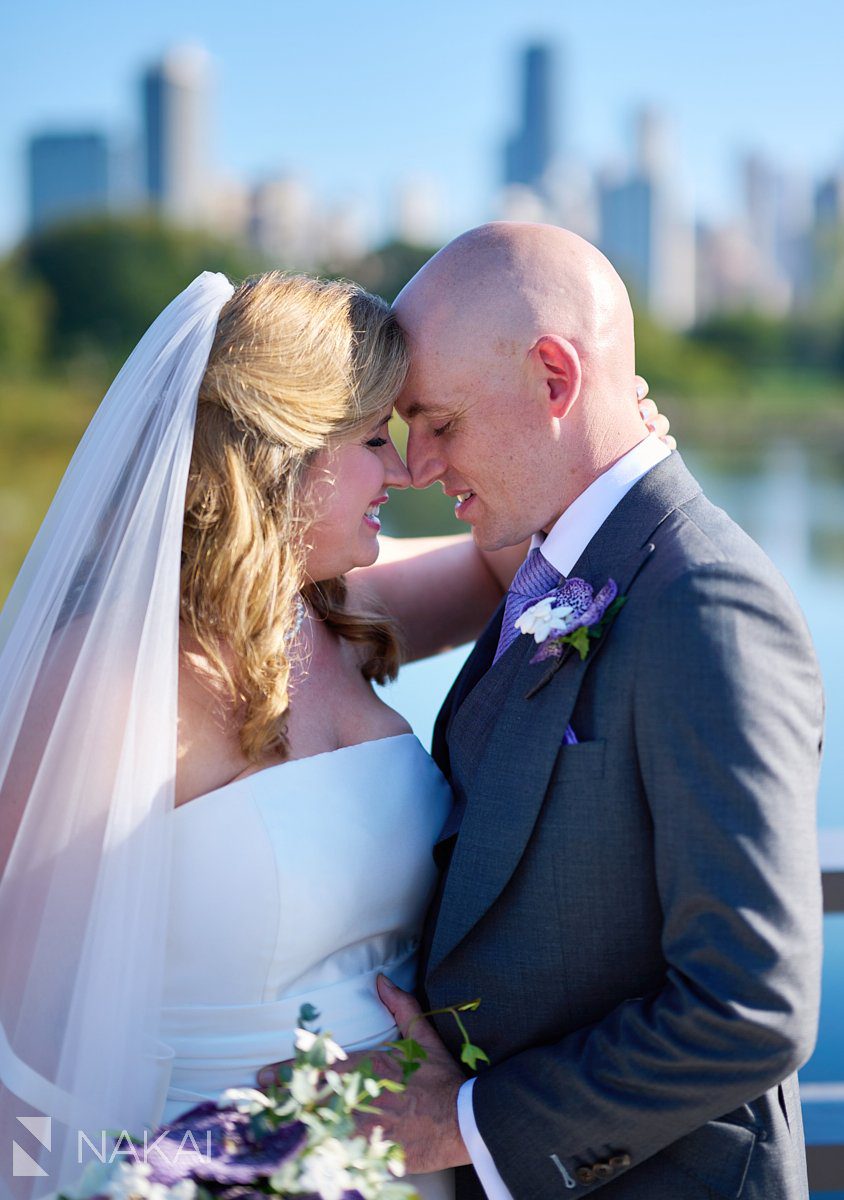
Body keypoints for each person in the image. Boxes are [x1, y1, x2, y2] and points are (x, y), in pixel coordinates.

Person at [0, 268, 668, 1200]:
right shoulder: (113, 677)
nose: (404, 469)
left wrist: (596, 439)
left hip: (412, 1151)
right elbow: (22, 1024)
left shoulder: (329, 612)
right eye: (371, 440)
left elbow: (513, 558)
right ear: (285, 455)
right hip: (205, 1168)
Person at [334, 224, 824, 1200]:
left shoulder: (703, 602)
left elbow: (750, 1005)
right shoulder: (563, 556)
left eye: (438, 422)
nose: (420, 466)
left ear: (554, 379)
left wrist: (464, 1126)